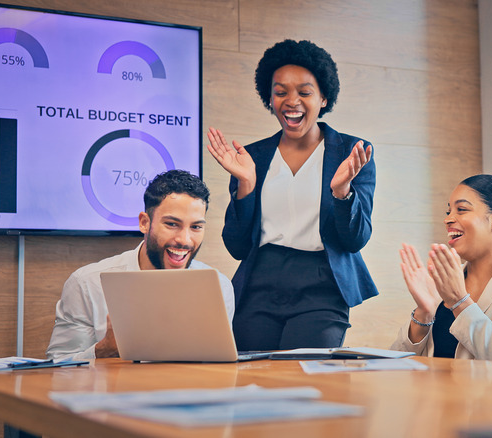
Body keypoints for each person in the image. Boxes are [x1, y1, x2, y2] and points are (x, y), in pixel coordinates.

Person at [206, 39, 377, 351]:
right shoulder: (252, 157)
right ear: (269, 98)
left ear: (324, 97)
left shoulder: (352, 152)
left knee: (303, 376)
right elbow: (237, 246)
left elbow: (355, 240)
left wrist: (342, 193)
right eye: (281, 91)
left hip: (322, 285)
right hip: (260, 282)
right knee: (252, 379)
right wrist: (245, 185)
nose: (291, 101)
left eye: (304, 92)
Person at [46, 170, 234, 362]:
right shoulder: (86, 283)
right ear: (144, 223)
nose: (184, 240)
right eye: (171, 224)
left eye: (196, 227)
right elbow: (57, 368)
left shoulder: (219, 287)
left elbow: (220, 366)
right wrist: (105, 349)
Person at [390, 175, 492, 363]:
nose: (448, 219)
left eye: (462, 209)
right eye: (448, 211)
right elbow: (395, 364)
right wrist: (424, 313)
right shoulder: (447, 280)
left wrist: (460, 303)